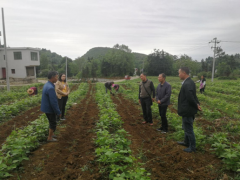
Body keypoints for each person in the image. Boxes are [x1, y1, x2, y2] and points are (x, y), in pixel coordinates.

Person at [177, 67, 202, 153]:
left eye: (179, 73)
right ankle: (186, 142)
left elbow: (191, 97)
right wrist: (197, 104)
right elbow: (194, 96)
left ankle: (192, 147)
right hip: (188, 109)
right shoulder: (189, 82)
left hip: (187, 110)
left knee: (188, 128)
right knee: (186, 127)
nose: (178, 75)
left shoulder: (188, 83)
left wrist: (196, 105)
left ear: (184, 73)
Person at [41, 71, 61, 142]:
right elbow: (53, 102)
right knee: (53, 123)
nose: (57, 78)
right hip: (50, 109)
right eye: (56, 77)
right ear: (52, 77)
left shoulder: (47, 85)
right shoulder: (50, 88)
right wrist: (58, 112)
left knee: (51, 121)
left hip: (46, 107)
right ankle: (49, 138)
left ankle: (52, 134)